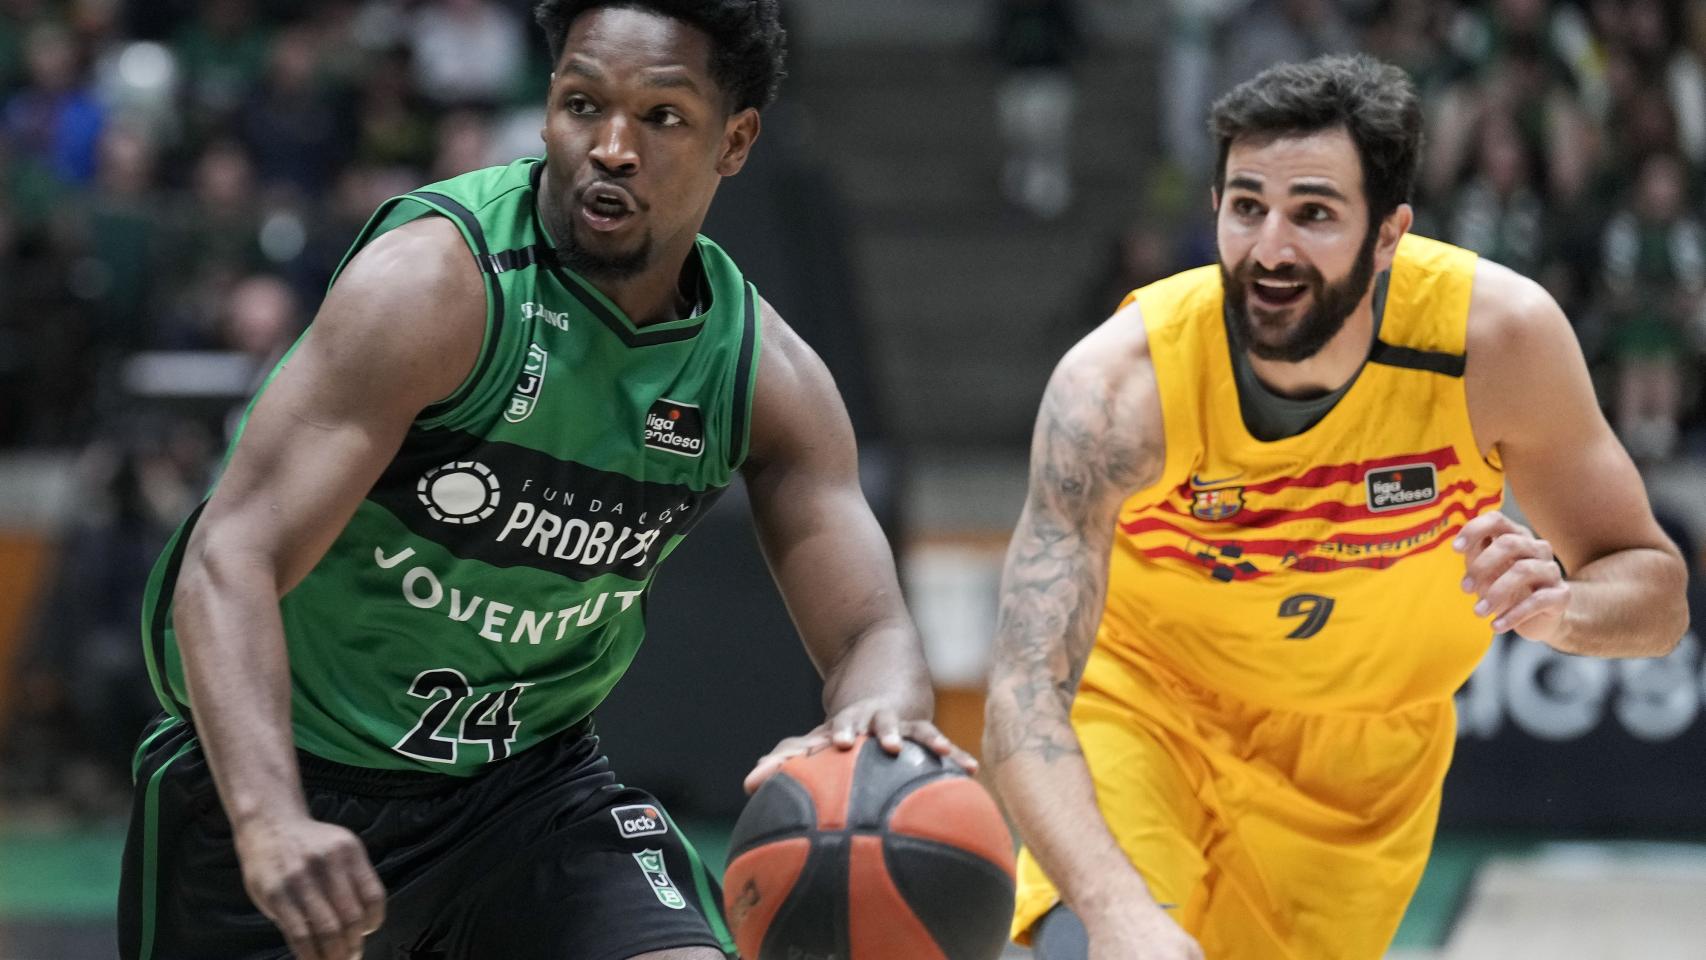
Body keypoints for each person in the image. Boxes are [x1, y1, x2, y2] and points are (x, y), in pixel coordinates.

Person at [118, 3, 972, 959]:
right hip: (287, 770)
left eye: (661, 117)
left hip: (529, 794)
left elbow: (872, 632)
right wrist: (269, 816)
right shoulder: (437, 286)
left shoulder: (762, 373)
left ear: (734, 141)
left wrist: (872, 721)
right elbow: (228, 558)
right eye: (581, 104)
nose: (610, 147)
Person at [983, 54, 1690, 960]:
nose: (1270, 249)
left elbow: (1657, 593)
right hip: (1149, 708)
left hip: (1366, 763)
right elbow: (1022, 693)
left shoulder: (1498, 341)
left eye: (1313, 213)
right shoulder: (1119, 385)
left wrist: (1567, 608)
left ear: (1389, 234)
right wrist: (1117, 912)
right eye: (1247, 208)